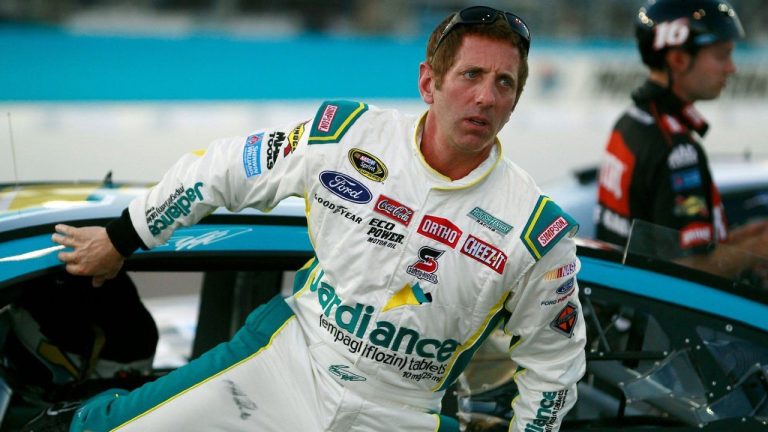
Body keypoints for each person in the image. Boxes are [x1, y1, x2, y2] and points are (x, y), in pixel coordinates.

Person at [38, 6, 586, 431]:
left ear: (516, 101)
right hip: (287, 366)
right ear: (429, 82)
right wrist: (122, 238)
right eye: (471, 75)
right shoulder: (344, 135)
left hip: (402, 412)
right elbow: (225, 168)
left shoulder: (536, 231)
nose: (486, 97)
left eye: (505, 83)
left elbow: (554, 367)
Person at [595, 0, 768, 278]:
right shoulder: (675, 148)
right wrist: (760, 248)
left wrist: (750, 239)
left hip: (624, 306)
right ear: (678, 59)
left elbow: (666, 246)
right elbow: (682, 273)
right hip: (652, 316)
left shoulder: (632, 122)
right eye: (722, 56)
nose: (731, 68)